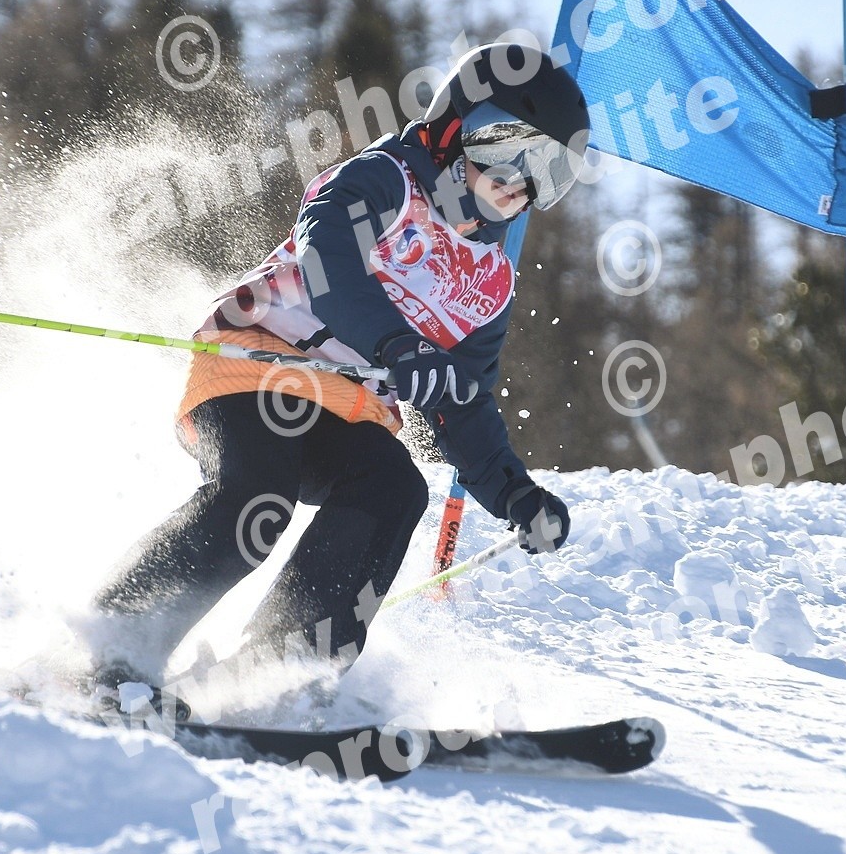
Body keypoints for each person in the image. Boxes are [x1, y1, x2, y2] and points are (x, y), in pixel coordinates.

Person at [86, 42, 592, 710]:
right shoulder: (388, 178)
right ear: (452, 127)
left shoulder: (490, 282)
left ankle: (280, 669)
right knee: (259, 498)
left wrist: (514, 492)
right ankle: (113, 644)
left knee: (393, 489)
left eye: (548, 170)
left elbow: (462, 402)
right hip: (255, 361)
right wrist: (399, 344)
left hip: (349, 407)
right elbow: (328, 259)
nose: (518, 180)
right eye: (505, 147)